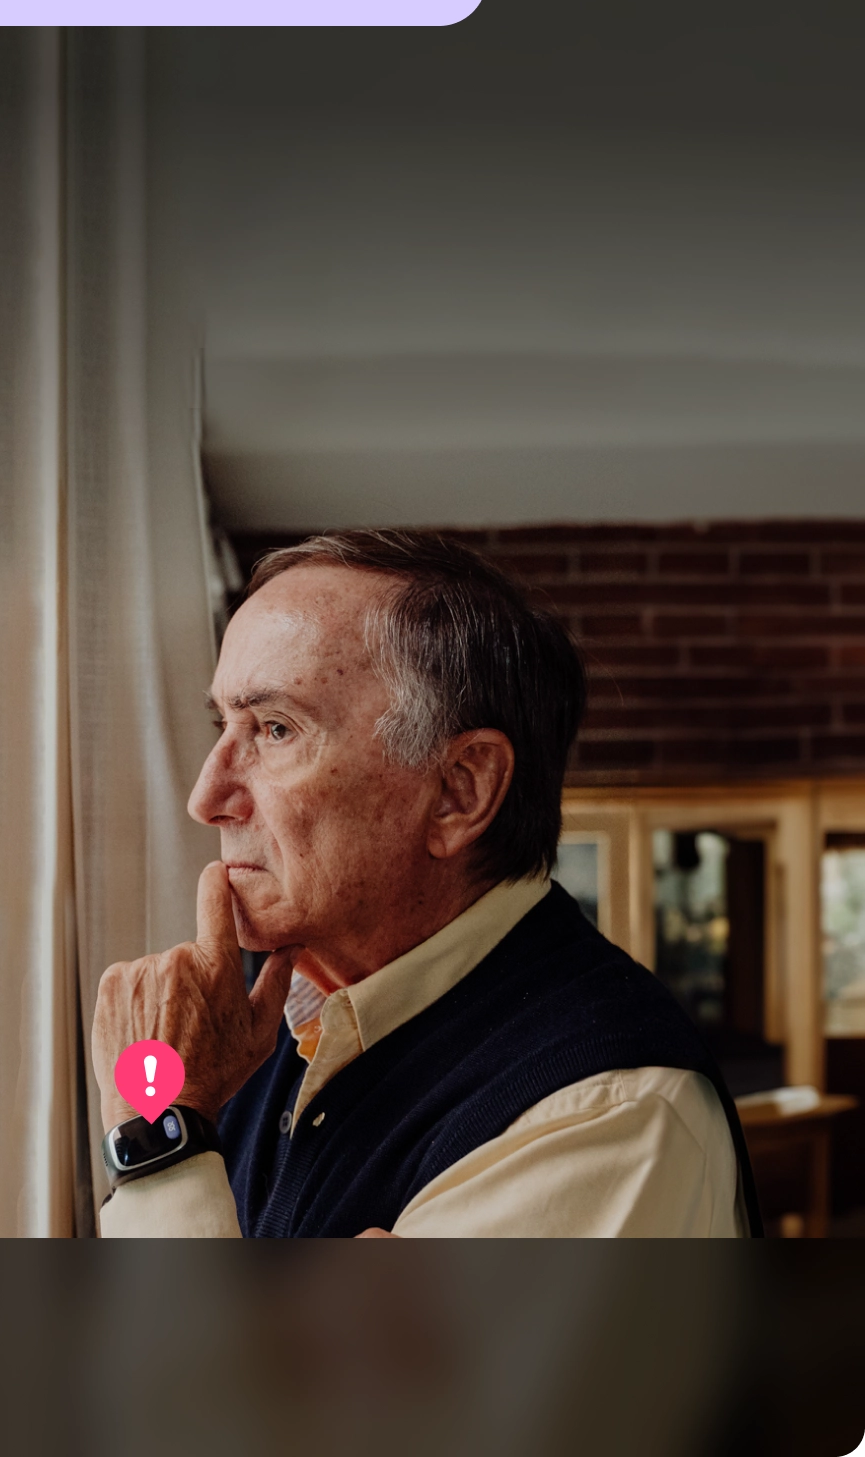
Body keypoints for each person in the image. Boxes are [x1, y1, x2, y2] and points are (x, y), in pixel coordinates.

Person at [94, 530, 760, 1237]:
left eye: (276, 729)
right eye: (223, 724)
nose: (207, 795)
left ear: (458, 791)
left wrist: (157, 1141)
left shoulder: (610, 1115)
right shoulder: (249, 1021)